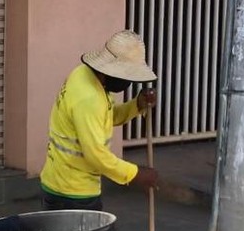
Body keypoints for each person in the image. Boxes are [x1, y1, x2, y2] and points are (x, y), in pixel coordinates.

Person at [39, 29, 159, 211]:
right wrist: (135, 174)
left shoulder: (83, 74)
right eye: (126, 76)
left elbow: (104, 118)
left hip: (61, 183)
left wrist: (137, 104)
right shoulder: (90, 98)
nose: (128, 83)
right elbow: (96, 155)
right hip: (72, 193)